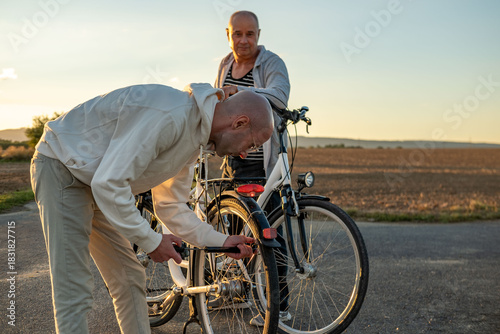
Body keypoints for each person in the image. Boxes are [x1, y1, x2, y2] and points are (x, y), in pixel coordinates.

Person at [30, 83, 273, 334]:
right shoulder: (172, 115)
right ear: (240, 123)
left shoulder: (196, 135)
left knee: (129, 277)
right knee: (73, 286)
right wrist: (152, 241)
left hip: (96, 180)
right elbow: (109, 184)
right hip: (62, 167)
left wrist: (221, 241)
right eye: (252, 145)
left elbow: (171, 205)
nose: (245, 154)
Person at [214, 10, 292, 326]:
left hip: (265, 161)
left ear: (259, 34)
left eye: (250, 34)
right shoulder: (224, 65)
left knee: (270, 233)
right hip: (234, 159)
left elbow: (280, 97)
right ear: (228, 34)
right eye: (237, 34)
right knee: (235, 231)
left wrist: (241, 94)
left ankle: (279, 307)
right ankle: (236, 293)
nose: (244, 40)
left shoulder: (272, 63)